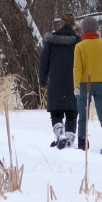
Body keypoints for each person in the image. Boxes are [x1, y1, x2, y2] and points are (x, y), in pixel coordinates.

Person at [72, 16, 102, 150]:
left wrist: (76, 86)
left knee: (83, 116)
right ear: (97, 30)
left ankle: (82, 142)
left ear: (83, 30)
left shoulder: (80, 46)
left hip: (85, 84)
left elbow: (77, 67)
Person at [39, 14, 81, 149]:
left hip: (56, 81)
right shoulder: (78, 41)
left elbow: (43, 62)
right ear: (73, 24)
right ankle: (68, 140)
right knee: (72, 112)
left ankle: (60, 135)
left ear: (60, 24)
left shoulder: (51, 41)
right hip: (73, 81)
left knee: (56, 112)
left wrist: (42, 80)